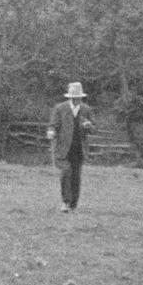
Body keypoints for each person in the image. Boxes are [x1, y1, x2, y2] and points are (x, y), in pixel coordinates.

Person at [46, 81, 94, 212]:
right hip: (63, 148)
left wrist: (88, 126)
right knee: (66, 172)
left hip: (79, 149)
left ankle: (73, 204)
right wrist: (51, 131)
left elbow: (93, 129)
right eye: (74, 97)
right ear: (70, 97)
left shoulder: (86, 109)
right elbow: (53, 124)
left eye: (78, 98)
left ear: (81, 97)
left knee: (76, 176)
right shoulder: (60, 108)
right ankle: (65, 202)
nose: (76, 100)